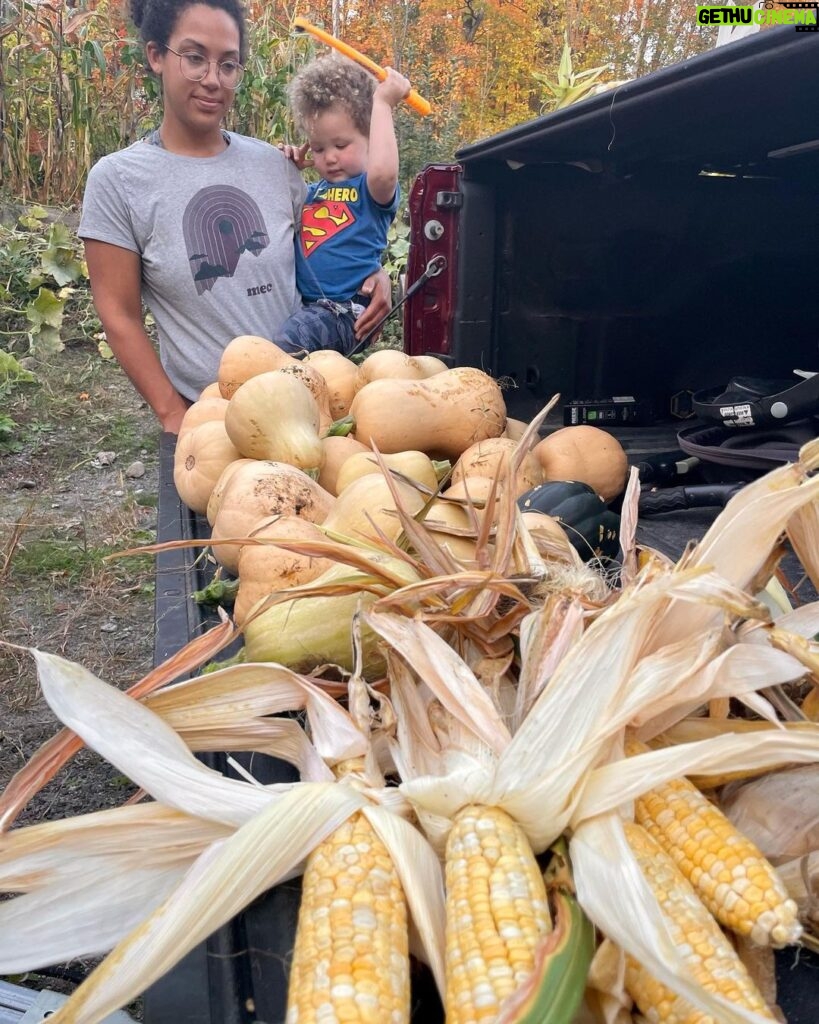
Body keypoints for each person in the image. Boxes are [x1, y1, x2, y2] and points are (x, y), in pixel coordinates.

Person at [78, 0, 391, 435]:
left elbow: (333, 234)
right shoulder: (119, 181)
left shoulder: (273, 165)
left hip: (309, 402)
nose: (212, 80)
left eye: (228, 65)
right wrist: (173, 413)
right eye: (194, 58)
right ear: (155, 55)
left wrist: (376, 271)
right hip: (212, 421)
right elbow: (118, 313)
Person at [273, 56, 410, 357]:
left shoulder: (371, 191)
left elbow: (384, 172)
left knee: (286, 347)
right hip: (308, 308)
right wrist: (287, 167)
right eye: (319, 148)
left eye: (341, 145)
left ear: (371, 141)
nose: (329, 158)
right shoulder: (313, 191)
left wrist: (383, 105)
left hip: (346, 312)